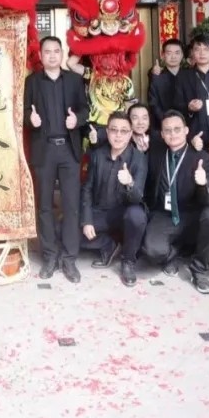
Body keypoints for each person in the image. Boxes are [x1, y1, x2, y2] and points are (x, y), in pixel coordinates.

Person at [25, 36, 89, 283]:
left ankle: (69, 258)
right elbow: (23, 112)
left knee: (71, 205)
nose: (52, 55)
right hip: (44, 150)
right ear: (41, 56)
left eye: (56, 51)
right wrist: (30, 119)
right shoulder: (32, 82)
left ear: (62, 54)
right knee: (44, 206)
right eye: (47, 52)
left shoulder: (74, 80)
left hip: (69, 151)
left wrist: (77, 120)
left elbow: (85, 109)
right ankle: (50, 256)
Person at [142, 111, 209, 293]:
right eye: (167, 130)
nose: (173, 134)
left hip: (192, 215)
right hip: (164, 215)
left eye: (177, 129)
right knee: (152, 251)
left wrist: (202, 184)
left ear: (186, 131)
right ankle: (173, 254)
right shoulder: (155, 153)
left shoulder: (201, 157)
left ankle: (198, 269)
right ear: (162, 134)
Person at [80, 112, 148, 287]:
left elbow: (137, 197)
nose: (118, 135)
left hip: (123, 213)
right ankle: (108, 244)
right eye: (114, 130)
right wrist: (87, 220)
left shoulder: (139, 158)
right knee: (63, 230)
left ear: (130, 134)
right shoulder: (97, 155)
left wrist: (130, 182)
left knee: (136, 215)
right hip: (100, 212)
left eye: (124, 131)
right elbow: (87, 189)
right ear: (107, 132)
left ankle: (128, 261)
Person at [147, 38, 184, 141]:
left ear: (182, 55)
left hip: (185, 127)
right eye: (169, 53)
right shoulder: (157, 77)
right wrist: (165, 121)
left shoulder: (189, 76)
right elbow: (153, 103)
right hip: (162, 127)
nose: (173, 57)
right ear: (163, 55)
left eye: (177, 53)